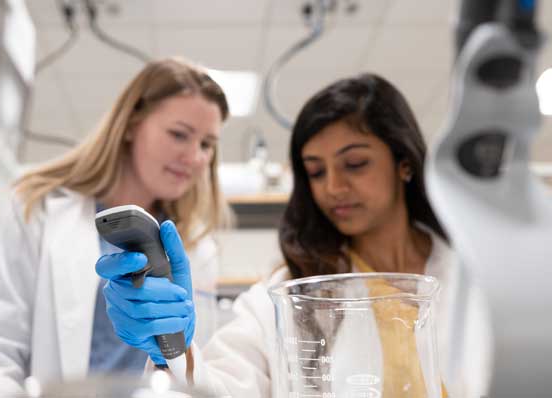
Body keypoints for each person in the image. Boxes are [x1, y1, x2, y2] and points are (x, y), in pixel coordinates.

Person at [95, 74, 492, 397]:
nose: (333, 187)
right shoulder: (292, 292)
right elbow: (221, 388)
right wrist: (173, 348)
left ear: (404, 163)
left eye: (355, 163)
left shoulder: (482, 276)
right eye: (316, 172)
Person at [0, 57, 230, 396]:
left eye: (207, 145)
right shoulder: (32, 206)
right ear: (130, 124)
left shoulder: (196, 245)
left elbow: (196, 376)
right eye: (179, 135)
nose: (195, 157)